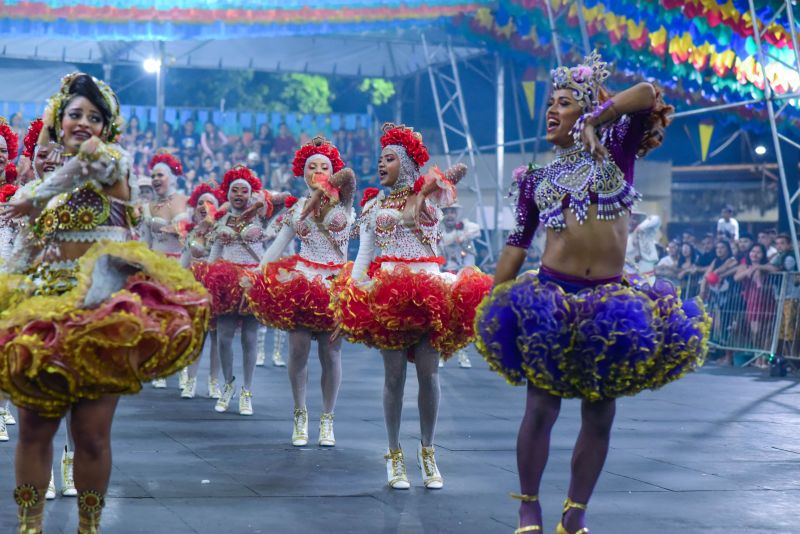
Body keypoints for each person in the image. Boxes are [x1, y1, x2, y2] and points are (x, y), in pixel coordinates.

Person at [473, 52, 709, 534]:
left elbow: (646, 93)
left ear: (584, 111)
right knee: (541, 409)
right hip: (550, 302)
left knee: (599, 415)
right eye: (548, 106)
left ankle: (575, 513)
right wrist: (488, 305)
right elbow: (516, 248)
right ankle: (529, 507)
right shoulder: (535, 181)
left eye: (563, 103)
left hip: (612, 306)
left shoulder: (616, 151)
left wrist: (598, 120)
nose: (551, 112)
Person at [0, 72, 209, 533]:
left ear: (106, 127)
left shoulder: (112, 162)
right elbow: (25, 253)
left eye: (94, 117)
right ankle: (28, 528)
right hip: (42, 315)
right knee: (34, 430)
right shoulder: (44, 192)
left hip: (101, 318)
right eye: (74, 114)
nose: (83, 123)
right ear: (58, 121)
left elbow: (82, 167)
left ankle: (88, 528)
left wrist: (30, 195)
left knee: (91, 437)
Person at [332, 123, 491, 490]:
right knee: (394, 378)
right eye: (379, 159)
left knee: (429, 375)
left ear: (405, 163)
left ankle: (428, 450)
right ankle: (393, 453)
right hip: (388, 293)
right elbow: (363, 258)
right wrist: (348, 305)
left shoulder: (430, 194)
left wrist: (427, 185)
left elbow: (460, 171)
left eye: (389, 158)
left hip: (431, 291)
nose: (381, 164)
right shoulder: (372, 206)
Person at [247, 136, 355, 447]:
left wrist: (329, 184)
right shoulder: (295, 211)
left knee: (331, 354)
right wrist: (256, 277)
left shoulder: (346, 202)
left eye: (324, 166)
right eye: (312, 166)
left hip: (336, 284)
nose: (318, 170)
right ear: (302, 172)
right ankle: (300, 412)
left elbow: (349, 176)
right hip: (303, 281)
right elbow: (276, 248)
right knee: (298, 351)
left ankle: (328, 418)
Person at [201, 166, 282, 415]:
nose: (239, 194)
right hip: (226, 279)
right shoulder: (221, 218)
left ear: (251, 192)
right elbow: (214, 251)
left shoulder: (261, 215)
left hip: (253, 279)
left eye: (244, 190)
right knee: (223, 337)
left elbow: (287, 197)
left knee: (249, 338)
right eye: (234, 190)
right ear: (227, 193)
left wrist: (259, 201)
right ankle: (229, 384)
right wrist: (207, 280)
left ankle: (247, 390)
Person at [181, 183, 225, 399]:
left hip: (216, 286)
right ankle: (190, 380)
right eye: (200, 203)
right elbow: (183, 262)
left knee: (216, 338)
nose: (204, 207)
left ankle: (214, 382)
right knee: (196, 336)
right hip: (194, 287)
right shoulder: (191, 232)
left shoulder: (222, 230)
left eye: (209, 203)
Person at [440, 202, 482, 369]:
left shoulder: (466, 228)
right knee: (443, 317)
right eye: (447, 212)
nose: (450, 215)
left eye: (452, 212)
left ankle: (463, 354)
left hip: (461, 277)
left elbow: (475, 231)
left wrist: (462, 237)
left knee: (463, 317)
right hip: (443, 276)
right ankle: (442, 352)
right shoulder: (438, 231)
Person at [624, 211, 661, 284]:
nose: (632, 221)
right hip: (630, 280)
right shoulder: (623, 238)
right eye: (630, 218)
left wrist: (637, 230)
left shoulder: (646, 233)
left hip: (648, 277)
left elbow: (656, 219)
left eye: (635, 219)